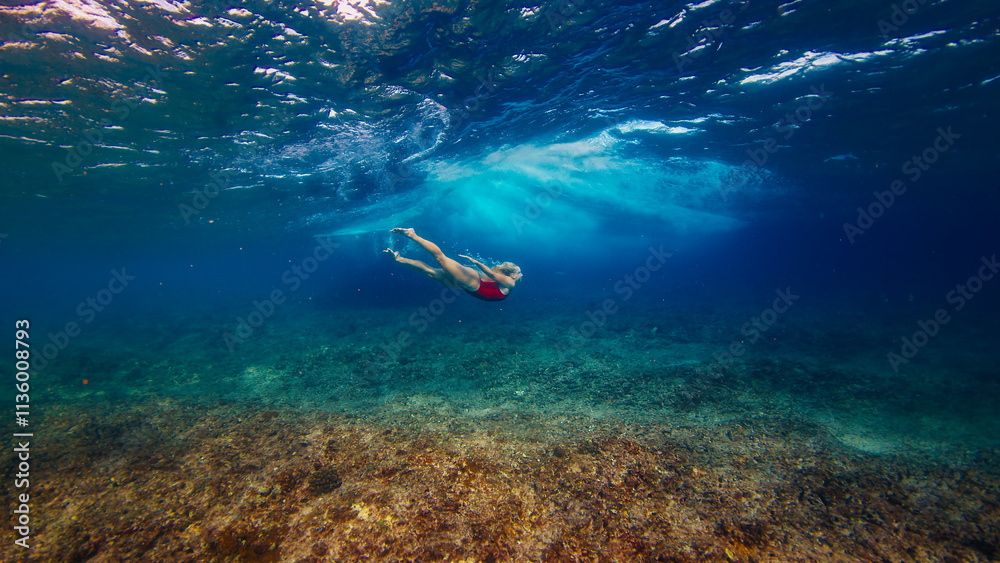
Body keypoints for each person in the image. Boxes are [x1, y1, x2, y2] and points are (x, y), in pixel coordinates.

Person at [384, 228, 522, 301]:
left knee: (431, 273)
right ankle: (413, 235)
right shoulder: (511, 283)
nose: (521, 275)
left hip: (466, 286)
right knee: (440, 259)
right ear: (513, 275)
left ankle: (399, 259)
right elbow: (491, 274)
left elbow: (492, 276)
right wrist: (476, 262)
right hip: (471, 281)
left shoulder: (506, 283)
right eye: (519, 272)